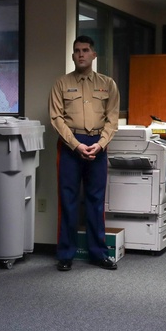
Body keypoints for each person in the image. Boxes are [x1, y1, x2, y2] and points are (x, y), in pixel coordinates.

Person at [49, 35, 120, 271]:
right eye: (77, 50)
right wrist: (75, 144)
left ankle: (98, 253)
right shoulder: (61, 83)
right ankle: (66, 254)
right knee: (68, 201)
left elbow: (112, 119)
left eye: (86, 50)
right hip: (71, 145)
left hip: (98, 144)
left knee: (95, 202)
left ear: (94, 54)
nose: (81, 54)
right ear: (72, 55)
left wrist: (100, 144)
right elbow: (56, 118)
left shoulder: (108, 84)